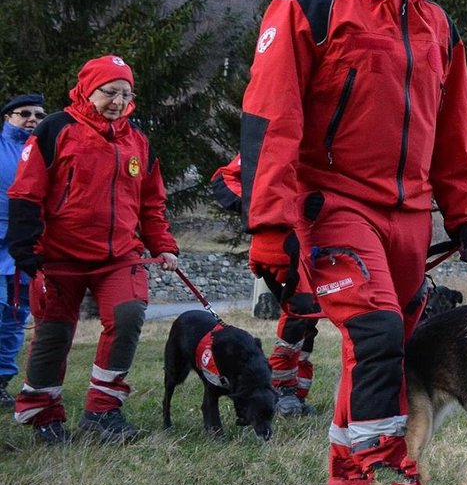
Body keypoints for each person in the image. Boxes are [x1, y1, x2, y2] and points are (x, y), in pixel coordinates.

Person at [240, 0, 467, 485]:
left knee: (378, 357)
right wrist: (270, 226)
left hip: (410, 217)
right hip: (336, 206)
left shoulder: (439, 24)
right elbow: (271, 122)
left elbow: (454, 131)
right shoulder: (308, 5)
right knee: (379, 336)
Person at [6, 57, 180, 445]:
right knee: (53, 334)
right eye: (109, 92)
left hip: (119, 256)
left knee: (129, 313)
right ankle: (43, 414)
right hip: (58, 257)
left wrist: (163, 246)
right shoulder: (55, 129)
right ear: (87, 89)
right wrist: (26, 250)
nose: (117, 101)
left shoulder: (137, 140)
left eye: (125, 93)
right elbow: (25, 192)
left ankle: (102, 412)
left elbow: (151, 203)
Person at [212, 153, 319, 417]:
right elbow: (223, 179)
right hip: (279, 245)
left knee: (309, 317)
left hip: (315, 242)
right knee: (300, 310)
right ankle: (282, 388)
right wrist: (259, 209)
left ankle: (294, 391)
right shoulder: (271, 137)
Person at [0, 93, 46, 409]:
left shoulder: (45, 150)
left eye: (39, 115)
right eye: (24, 113)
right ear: (8, 117)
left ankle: (1, 382)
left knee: (15, 318)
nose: (32, 119)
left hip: (27, 249)